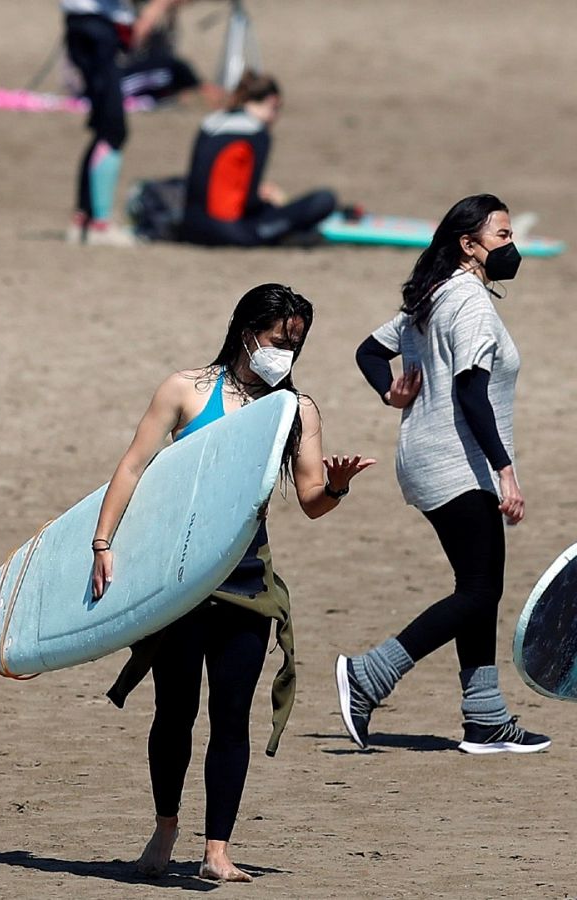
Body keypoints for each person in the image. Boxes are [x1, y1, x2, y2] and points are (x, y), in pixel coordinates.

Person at [91, 284, 374, 881]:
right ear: (247, 329)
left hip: (247, 577)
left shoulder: (297, 410)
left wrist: (340, 485)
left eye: (296, 343)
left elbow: (310, 499)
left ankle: (217, 851)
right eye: (278, 339)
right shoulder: (185, 391)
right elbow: (133, 464)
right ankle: (163, 835)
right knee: (173, 712)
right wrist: (102, 542)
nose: (286, 353)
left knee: (231, 714)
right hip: (179, 575)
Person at [333, 194, 550, 754]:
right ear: (469, 244)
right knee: (480, 590)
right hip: (458, 462)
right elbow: (470, 392)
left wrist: (389, 389)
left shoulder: (433, 298)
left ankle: (485, 717)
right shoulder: (470, 303)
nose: (512, 246)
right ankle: (369, 675)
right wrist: (506, 470)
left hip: (429, 459)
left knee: (478, 589)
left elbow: (367, 351)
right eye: (502, 236)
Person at [60, 0, 191, 246]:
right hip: (94, 28)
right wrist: (156, 8)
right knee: (113, 129)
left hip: (90, 26)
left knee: (104, 128)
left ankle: (83, 219)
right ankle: (99, 224)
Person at [179, 71, 337, 247]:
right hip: (228, 231)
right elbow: (249, 201)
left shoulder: (210, 122)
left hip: (190, 227)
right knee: (324, 200)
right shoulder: (256, 133)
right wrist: (271, 199)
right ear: (273, 101)